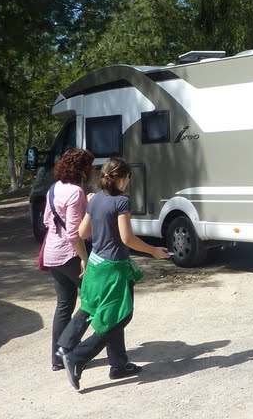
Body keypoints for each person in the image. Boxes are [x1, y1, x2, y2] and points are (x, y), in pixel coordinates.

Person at [59, 157, 169, 390]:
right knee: (120, 317)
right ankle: (77, 357)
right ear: (122, 177)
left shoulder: (96, 199)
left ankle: (119, 365)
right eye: (129, 177)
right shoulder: (121, 202)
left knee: (109, 314)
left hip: (96, 265)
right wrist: (154, 251)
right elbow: (127, 238)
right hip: (113, 268)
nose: (129, 182)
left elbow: (82, 231)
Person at [42, 148, 94, 371]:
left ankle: (57, 358)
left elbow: (46, 220)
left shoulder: (54, 189)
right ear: (82, 169)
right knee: (96, 299)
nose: (92, 170)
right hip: (70, 255)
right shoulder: (76, 192)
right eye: (89, 166)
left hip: (52, 254)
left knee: (64, 305)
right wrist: (85, 258)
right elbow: (75, 233)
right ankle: (69, 348)